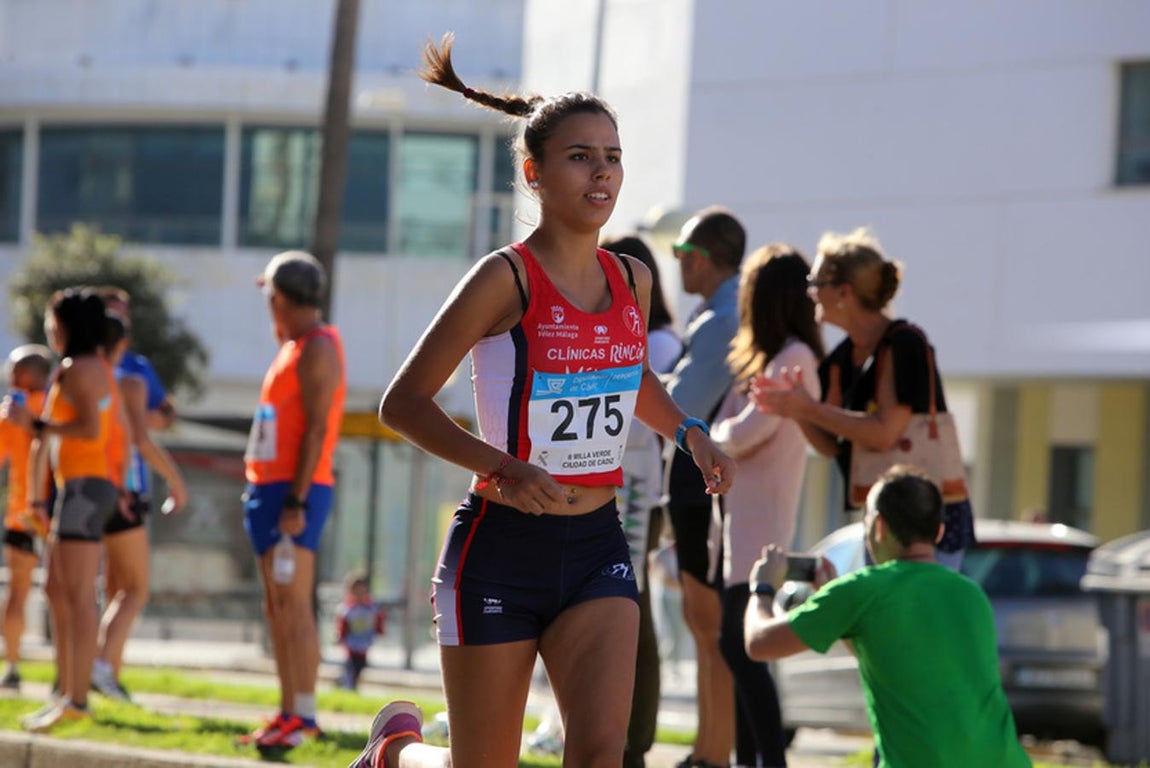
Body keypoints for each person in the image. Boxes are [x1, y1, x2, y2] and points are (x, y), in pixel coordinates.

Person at [353, 33, 735, 768]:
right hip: (499, 551)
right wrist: (504, 466)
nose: (602, 172)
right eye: (580, 156)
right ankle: (396, 757)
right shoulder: (504, 279)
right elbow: (403, 403)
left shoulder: (633, 281)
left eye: (613, 156)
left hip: (596, 549)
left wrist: (690, 431)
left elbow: (630, 380)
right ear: (533, 173)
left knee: (600, 758)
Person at [742, 465, 1031, 768]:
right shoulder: (971, 593)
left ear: (878, 526)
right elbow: (889, 661)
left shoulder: (861, 590)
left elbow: (759, 644)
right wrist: (840, 614)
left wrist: (762, 587)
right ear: (939, 531)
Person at [751, 228, 974, 570]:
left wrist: (808, 408)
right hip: (882, 514)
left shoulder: (904, 343)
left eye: (816, 282)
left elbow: (884, 433)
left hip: (930, 516)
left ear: (844, 292)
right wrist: (795, 411)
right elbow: (832, 447)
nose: (810, 293)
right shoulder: (841, 359)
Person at [710, 244, 824, 767]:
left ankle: (768, 760)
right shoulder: (770, 361)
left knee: (742, 648)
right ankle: (750, 758)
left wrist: (711, 434)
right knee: (737, 648)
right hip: (741, 529)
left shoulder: (793, 359)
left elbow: (741, 435)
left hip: (762, 529)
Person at [239, 250, 346, 751]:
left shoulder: (319, 347)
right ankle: (287, 710)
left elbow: (320, 427)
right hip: (270, 487)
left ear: (280, 299)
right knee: (278, 605)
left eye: (269, 297)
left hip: (293, 492)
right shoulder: (295, 344)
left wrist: (297, 499)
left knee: (294, 605)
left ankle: (304, 714)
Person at [1, 288, 118, 730]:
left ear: (66, 325)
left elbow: (88, 429)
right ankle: (67, 693)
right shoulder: (93, 367)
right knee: (57, 590)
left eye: (52, 320)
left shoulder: (76, 369)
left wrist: (34, 423)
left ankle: (77, 698)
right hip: (79, 488)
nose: (49, 328)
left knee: (79, 595)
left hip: (84, 488)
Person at [662, 206, 745, 768]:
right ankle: (707, 746)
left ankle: (715, 751)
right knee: (704, 625)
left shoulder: (721, 319)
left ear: (709, 257)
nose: (677, 265)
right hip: (702, 483)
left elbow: (680, 404)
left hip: (704, 486)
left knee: (709, 625)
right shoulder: (717, 313)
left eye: (682, 253)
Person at [601, 233, 682, 768]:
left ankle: (633, 740)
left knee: (629, 612)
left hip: (636, 492)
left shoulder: (661, 343)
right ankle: (609, 734)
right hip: (606, 483)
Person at [93, 308, 189, 701]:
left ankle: (97, 673)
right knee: (134, 589)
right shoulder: (129, 380)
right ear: (121, 343)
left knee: (96, 589)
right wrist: (175, 480)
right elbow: (143, 441)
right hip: (123, 490)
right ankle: (100, 667)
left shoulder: (71, 375)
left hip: (82, 490)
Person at [0, 345, 53, 691]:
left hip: (25, 512)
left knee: (19, 593)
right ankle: (67, 674)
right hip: (51, 512)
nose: (10, 372)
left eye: (16, 367)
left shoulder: (15, 411)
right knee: (64, 592)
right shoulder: (56, 404)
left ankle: (13, 666)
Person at [336, 570, 387, 692]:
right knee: (351, 666)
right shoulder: (347, 609)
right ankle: (349, 687)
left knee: (360, 665)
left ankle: (346, 683)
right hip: (351, 644)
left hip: (364, 644)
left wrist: (380, 630)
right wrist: (340, 636)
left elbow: (378, 620)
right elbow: (342, 624)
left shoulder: (370, 608)